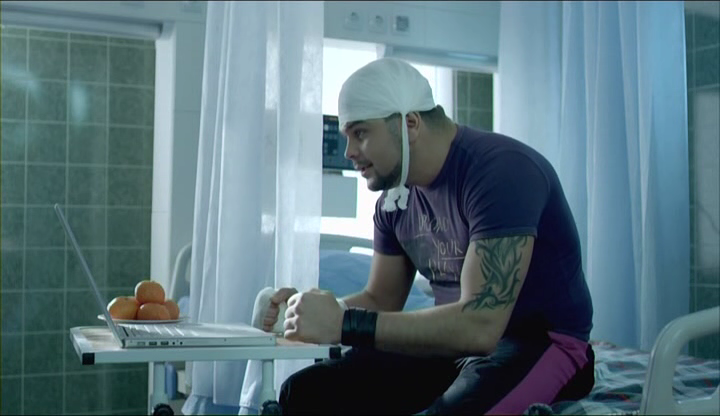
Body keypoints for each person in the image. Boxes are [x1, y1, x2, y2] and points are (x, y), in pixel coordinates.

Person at [263, 58, 595, 415]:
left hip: (537, 342)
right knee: (304, 393)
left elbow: (481, 327)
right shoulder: (395, 201)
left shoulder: (503, 172)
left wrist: (344, 323)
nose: (349, 153)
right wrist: (305, 313)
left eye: (360, 133)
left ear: (410, 124)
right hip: (453, 344)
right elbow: (381, 298)